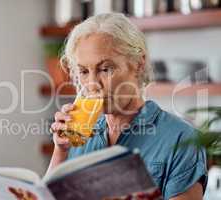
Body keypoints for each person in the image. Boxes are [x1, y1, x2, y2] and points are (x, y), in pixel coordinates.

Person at [46, 13, 207, 200]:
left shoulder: (182, 139)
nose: (92, 84)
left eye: (105, 69)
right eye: (83, 71)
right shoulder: (77, 139)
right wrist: (60, 150)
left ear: (139, 64)